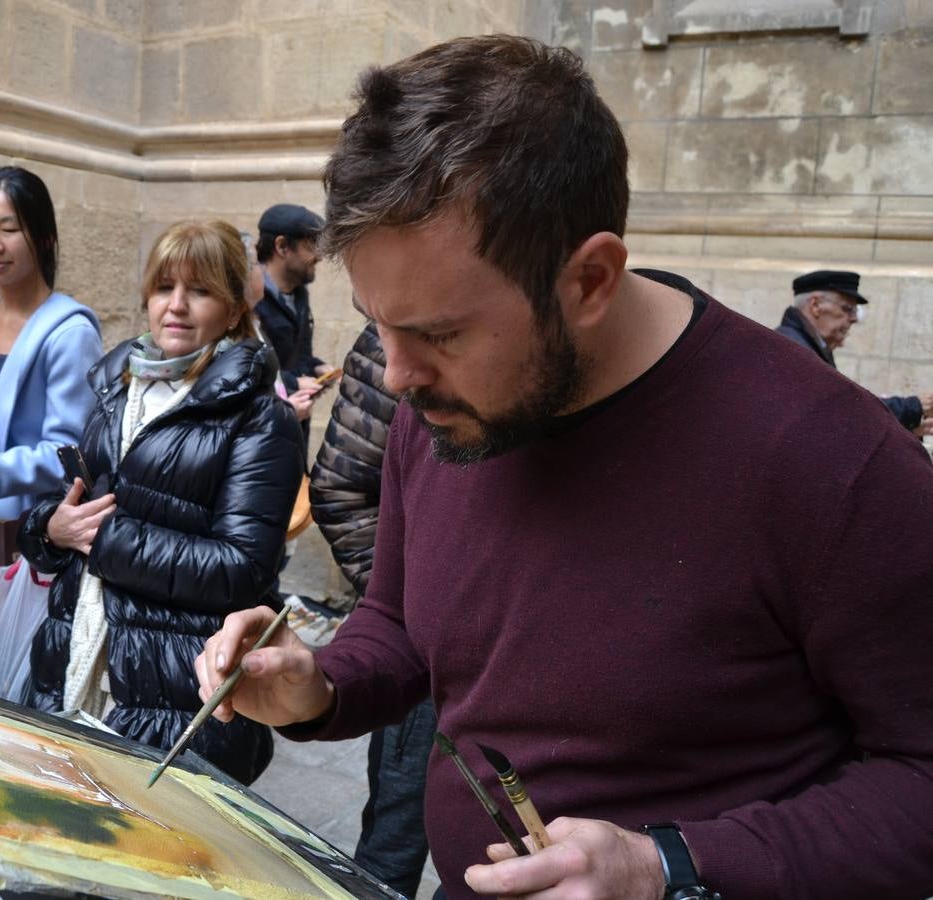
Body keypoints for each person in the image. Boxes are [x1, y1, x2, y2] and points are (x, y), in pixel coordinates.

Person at [197, 36, 933, 900]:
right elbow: (400, 622)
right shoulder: (436, 404)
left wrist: (671, 866)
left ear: (589, 280)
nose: (395, 376)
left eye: (439, 333)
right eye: (374, 321)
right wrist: (319, 683)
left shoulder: (832, 458)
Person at [19, 220, 303, 785]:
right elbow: (74, 503)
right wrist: (51, 526)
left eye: (199, 290)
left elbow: (242, 567)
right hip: (73, 659)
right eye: (163, 287)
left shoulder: (259, 418)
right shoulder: (117, 387)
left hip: (170, 693)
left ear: (233, 308)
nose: (175, 305)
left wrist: (107, 540)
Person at [308, 322, 432, 898]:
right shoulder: (392, 333)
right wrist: (414, 597)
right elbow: (339, 486)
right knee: (393, 841)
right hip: (425, 661)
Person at [0, 167, 102, 521]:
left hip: (44, 527)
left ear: (45, 237)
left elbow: (69, 452)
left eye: (9, 229)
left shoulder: (70, 333)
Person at [777, 269, 933, 434]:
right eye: (847, 309)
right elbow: (840, 411)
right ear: (816, 305)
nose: (854, 318)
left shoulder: (807, 345)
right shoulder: (794, 349)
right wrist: (912, 407)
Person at [255, 203, 335, 446]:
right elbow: (244, 368)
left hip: (297, 427)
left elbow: (296, 356)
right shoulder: (250, 298)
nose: (318, 256)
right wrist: (293, 383)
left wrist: (317, 368)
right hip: (261, 431)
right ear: (282, 246)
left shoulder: (300, 294)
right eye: (311, 245)